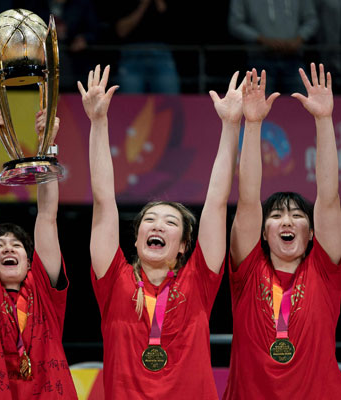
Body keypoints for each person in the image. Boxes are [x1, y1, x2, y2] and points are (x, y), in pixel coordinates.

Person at [82, 65, 239, 397]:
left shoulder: (199, 279)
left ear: (183, 246)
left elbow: (216, 203)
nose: (157, 225)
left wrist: (230, 126)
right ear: (137, 238)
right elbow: (103, 200)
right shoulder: (113, 281)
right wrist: (98, 123)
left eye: (170, 222)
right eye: (149, 220)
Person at [224, 64, 341, 398]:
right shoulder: (246, 272)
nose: (287, 221)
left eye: (296, 215)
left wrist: (323, 120)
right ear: (262, 233)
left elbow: (329, 198)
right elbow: (247, 199)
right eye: (275, 215)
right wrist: (254, 123)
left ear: (313, 233)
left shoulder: (325, 269)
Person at [0, 105, 77, 399]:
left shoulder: (45, 292)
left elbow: (48, 214)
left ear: (28, 260)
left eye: (16, 245)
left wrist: (46, 142)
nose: (8, 247)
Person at [229, 0, 318, 94]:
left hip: (294, 59)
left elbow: (312, 20)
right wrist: (261, 39)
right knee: (257, 103)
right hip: (259, 59)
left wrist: (299, 39)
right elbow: (235, 23)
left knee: (304, 102)